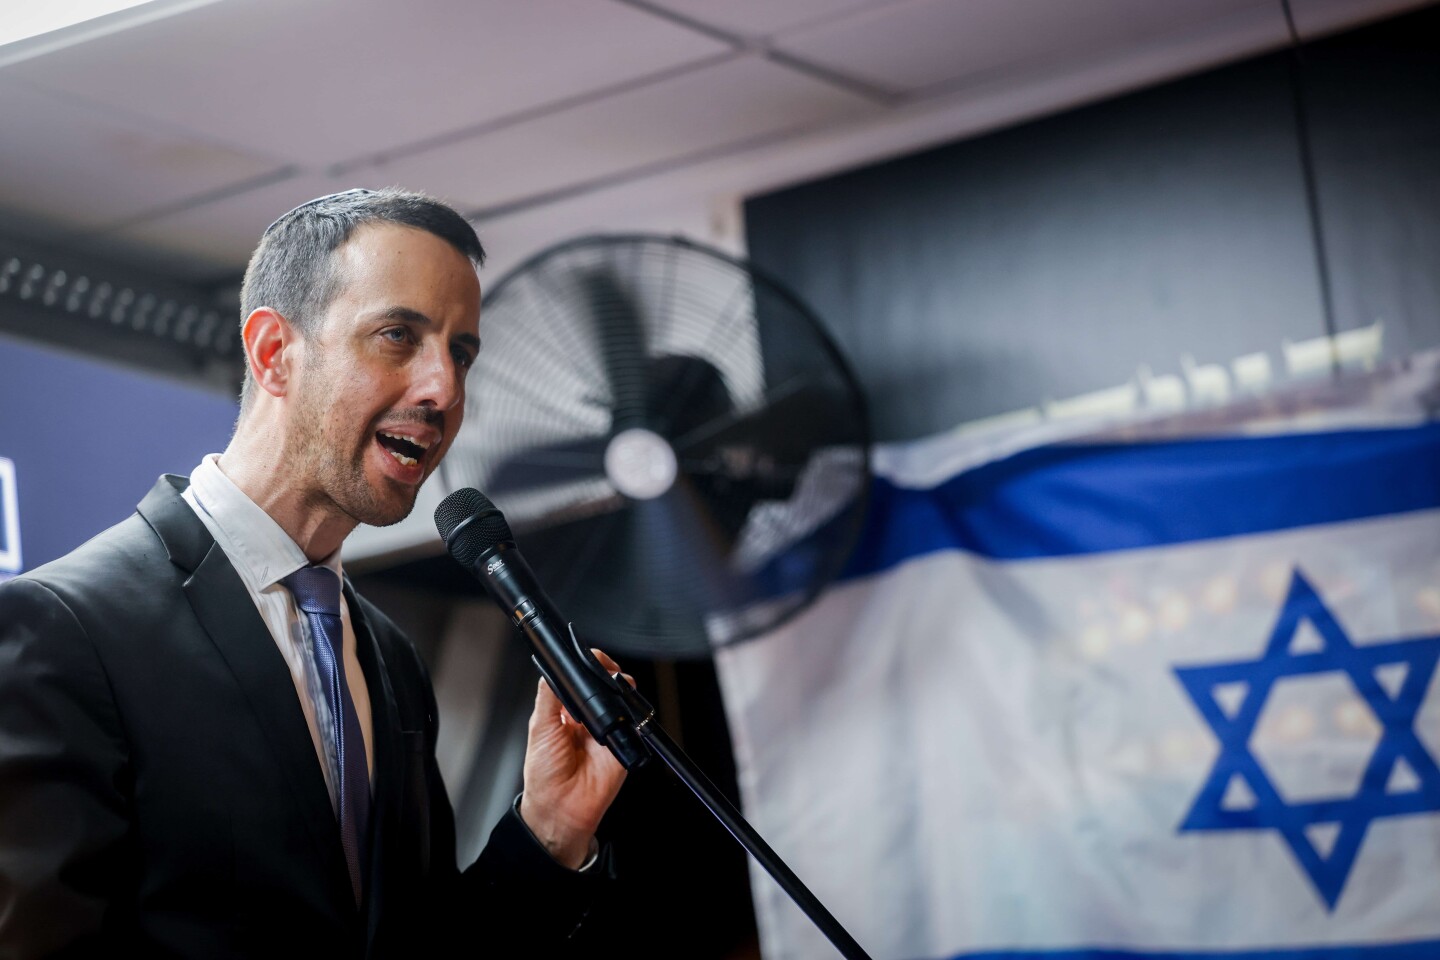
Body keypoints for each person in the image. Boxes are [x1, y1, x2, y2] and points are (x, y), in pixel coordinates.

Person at [0, 188, 628, 957]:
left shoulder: (388, 658)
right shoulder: (63, 630)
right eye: (399, 335)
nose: (445, 389)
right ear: (273, 353)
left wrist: (551, 830)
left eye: (461, 352)